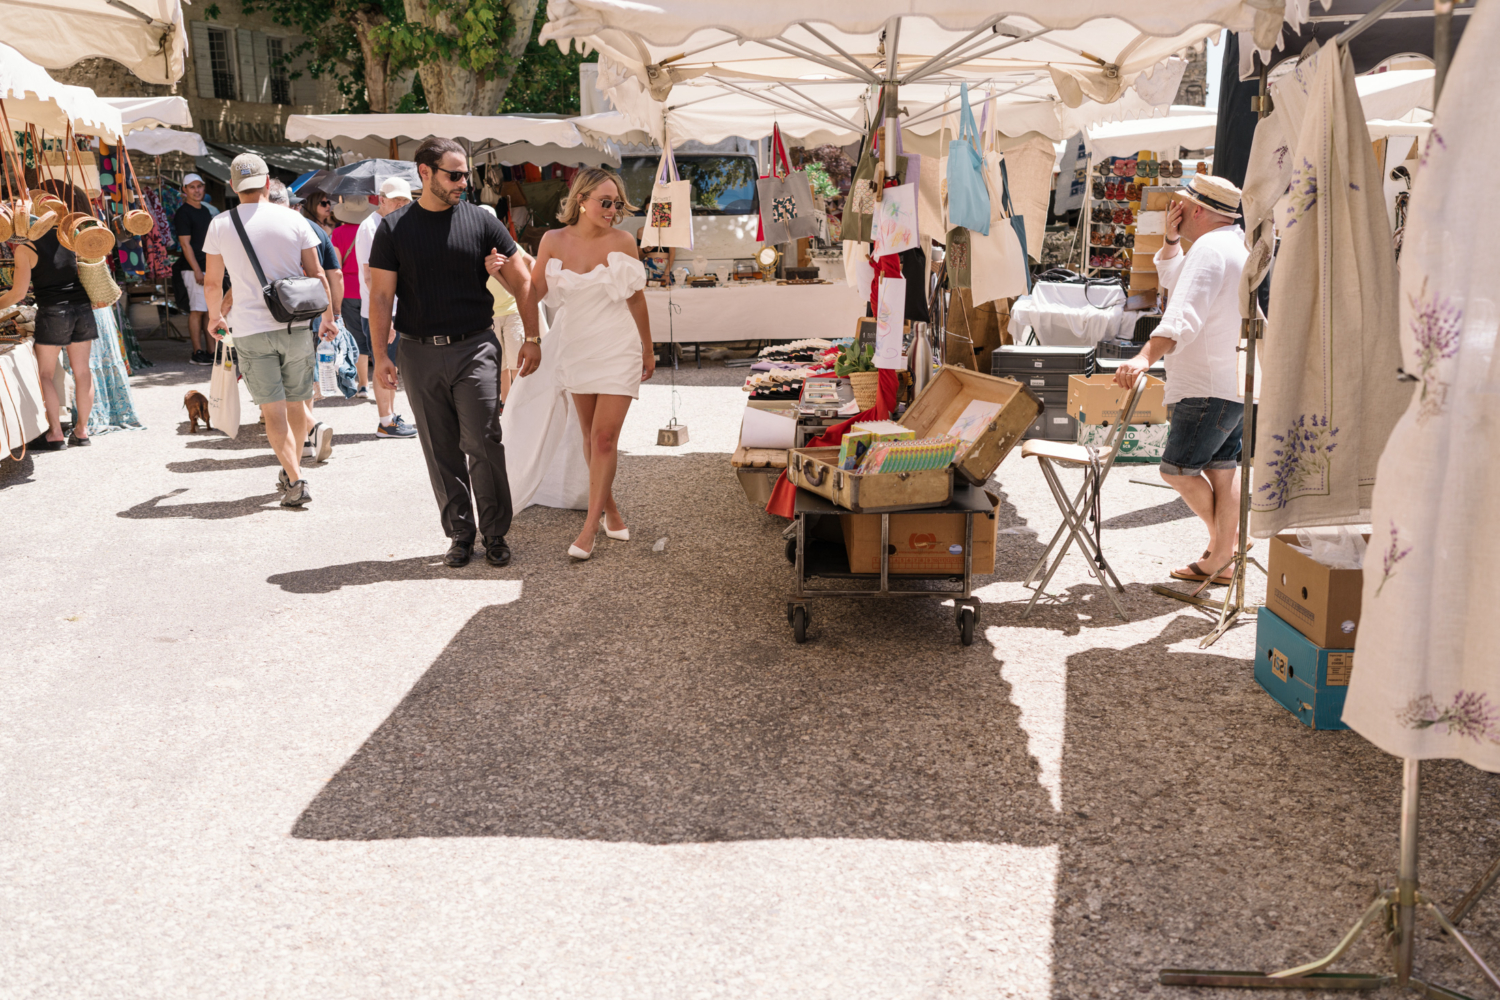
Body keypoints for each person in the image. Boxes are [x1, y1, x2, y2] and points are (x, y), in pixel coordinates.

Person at [367, 137, 539, 568]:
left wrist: (533, 338)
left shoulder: (483, 223)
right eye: (454, 174)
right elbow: (381, 298)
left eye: (466, 174)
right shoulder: (393, 229)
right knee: (439, 447)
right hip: (418, 352)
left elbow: (523, 283)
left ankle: (495, 532)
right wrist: (379, 357)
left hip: (475, 346)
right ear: (425, 173)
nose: (464, 182)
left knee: (483, 439)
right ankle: (460, 534)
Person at [1113, 174, 1248, 585]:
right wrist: (1171, 242)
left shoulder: (1209, 248)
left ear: (1198, 210)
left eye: (1181, 205)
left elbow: (1181, 313)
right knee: (1225, 469)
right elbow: (1178, 285)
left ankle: (1225, 547)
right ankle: (1224, 553)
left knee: (1177, 469)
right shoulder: (1234, 243)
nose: (1174, 210)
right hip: (1232, 379)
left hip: (1204, 383)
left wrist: (1144, 355)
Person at [527, 167, 653, 561]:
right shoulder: (553, 240)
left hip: (619, 347)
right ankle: (610, 510)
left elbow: (635, 298)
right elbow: (534, 291)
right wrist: (530, 336)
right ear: (580, 200)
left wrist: (648, 349)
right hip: (577, 345)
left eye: (617, 203)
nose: (613, 209)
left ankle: (588, 530)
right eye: (605, 202)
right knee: (587, 434)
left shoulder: (623, 241)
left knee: (604, 439)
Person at [201, 153, 337, 508]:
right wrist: (328, 317)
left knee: (273, 411)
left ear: (232, 185)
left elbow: (213, 283)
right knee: (296, 403)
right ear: (267, 182)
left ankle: (295, 478)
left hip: (249, 328)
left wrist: (215, 317)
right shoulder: (294, 220)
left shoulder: (219, 224)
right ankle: (291, 469)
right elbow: (318, 274)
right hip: (295, 325)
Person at [0, 209, 97, 450]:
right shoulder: (68, 236)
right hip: (82, 309)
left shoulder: (26, 248)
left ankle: (55, 433)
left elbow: (19, 294)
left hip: (53, 312)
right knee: (82, 371)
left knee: (46, 374)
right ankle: (82, 432)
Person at [267, 179, 337, 463]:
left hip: (275, 312)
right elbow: (330, 274)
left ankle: (310, 431)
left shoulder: (269, 229)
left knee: (281, 387)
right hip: (309, 311)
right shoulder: (312, 228)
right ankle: (308, 437)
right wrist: (330, 316)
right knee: (302, 382)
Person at [356, 177, 417, 439]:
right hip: (381, 311)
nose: (403, 204)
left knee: (390, 365)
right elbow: (370, 278)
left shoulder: (393, 223)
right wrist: (387, 318)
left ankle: (390, 417)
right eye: (397, 200)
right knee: (384, 364)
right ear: (382, 200)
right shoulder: (371, 227)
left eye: (406, 199)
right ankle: (385, 421)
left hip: (391, 310)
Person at [330, 199, 372, 399]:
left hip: (348, 292)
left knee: (357, 337)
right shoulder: (372, 228)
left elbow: (335, 266)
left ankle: (363, 385)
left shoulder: (337, 233)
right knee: (380, 337)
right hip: (372, 289)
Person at [173, 173, 215, 365]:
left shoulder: (205, 211)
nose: (197, 190)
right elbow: (185, 244)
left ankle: (211, 351)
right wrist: (197, 269)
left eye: (199, 186)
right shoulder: (183, 213)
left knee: (209, 311)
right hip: (192, 269)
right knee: (197, 310)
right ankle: (197, 352)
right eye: (192, 187)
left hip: (208, 266)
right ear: (184, 190)